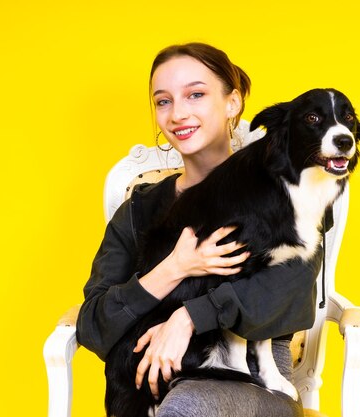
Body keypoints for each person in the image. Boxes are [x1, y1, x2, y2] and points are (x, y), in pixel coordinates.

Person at [76, 42, 322, 417]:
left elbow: (285, 293)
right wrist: (174, 268)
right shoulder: (138, 210)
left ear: (232, 103)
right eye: (163, 101)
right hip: (146, 382)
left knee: (186, 408)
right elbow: (94, 327)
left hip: (255, 382)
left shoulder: (291, 191)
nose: (178, 114)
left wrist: (187, 317)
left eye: (196, 94)